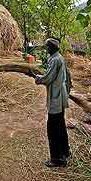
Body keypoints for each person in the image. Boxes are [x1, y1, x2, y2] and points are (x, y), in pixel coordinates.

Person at [34, 38, 72, 168]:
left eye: (48, 47)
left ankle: (57, 159)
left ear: (53, 48)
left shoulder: (55, 60)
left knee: (53, 128)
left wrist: (38, 78)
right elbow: (68, 77)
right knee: (60, 125)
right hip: (60, 95)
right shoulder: (60, 58)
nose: (47, 49)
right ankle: (65, 152)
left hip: (56, 96)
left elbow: (48, 78)